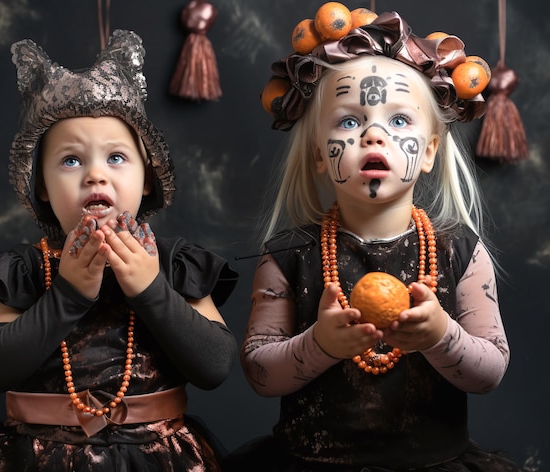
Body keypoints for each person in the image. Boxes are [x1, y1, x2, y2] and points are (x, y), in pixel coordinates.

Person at [224, 5, 524, 472]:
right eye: (348, 121)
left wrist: (438, 335)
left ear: (428, 152)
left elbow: (490, 373)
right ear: (320, 154)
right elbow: (260, 373)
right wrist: (320, 343)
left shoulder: (461, 252)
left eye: (400, 121)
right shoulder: (287, 254)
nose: (374, 136)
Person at [0, 29, 238, 471]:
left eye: (116, 158)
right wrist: (68, 293)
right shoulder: (25, 268)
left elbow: (215, 366)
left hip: (156, 457)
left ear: (147, 176)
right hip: (39, 456)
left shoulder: (172, 263)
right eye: (71, 160)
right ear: (41, 186)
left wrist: (150, 289)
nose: (95, 175)